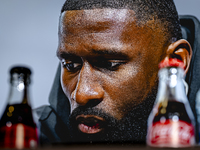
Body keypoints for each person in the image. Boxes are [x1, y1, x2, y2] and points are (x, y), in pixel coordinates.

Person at [36, 0, 193, 145]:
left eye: (110, 64)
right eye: (70, 65)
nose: (82, 94)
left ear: (175, 61)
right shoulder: (34, 135)